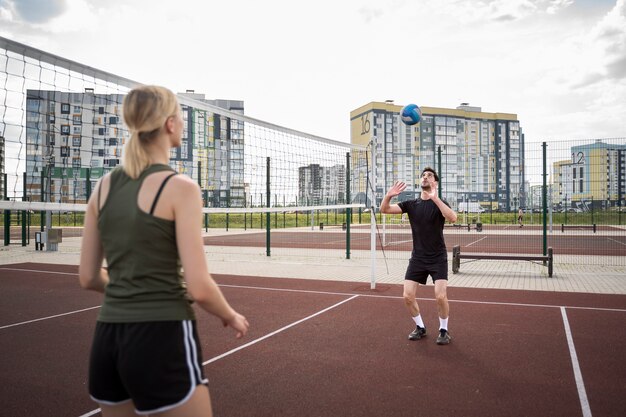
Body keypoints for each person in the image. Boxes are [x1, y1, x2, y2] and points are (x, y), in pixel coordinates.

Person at [79, 85, 249, 417]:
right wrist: (231, 315)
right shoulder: (181, 188)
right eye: (181, 117)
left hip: (107, 342)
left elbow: (87, 276)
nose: (183, 124)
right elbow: (199, 287)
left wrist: (131, 288)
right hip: (161, 336)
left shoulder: (103, 187)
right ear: (170, 124)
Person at [380, 167, 457, 345]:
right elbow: (384, 209)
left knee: (440, 296)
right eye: (423, 175)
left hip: (438, 257)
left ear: (435, 182)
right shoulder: (411, 204)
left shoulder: (440, 203)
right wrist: (389, 195)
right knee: (407, 296)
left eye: (429, 176)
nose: (425, 177)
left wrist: (436, 199)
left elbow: (452, 217)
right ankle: (420, 327)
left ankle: (444, 330)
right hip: (418, 258)